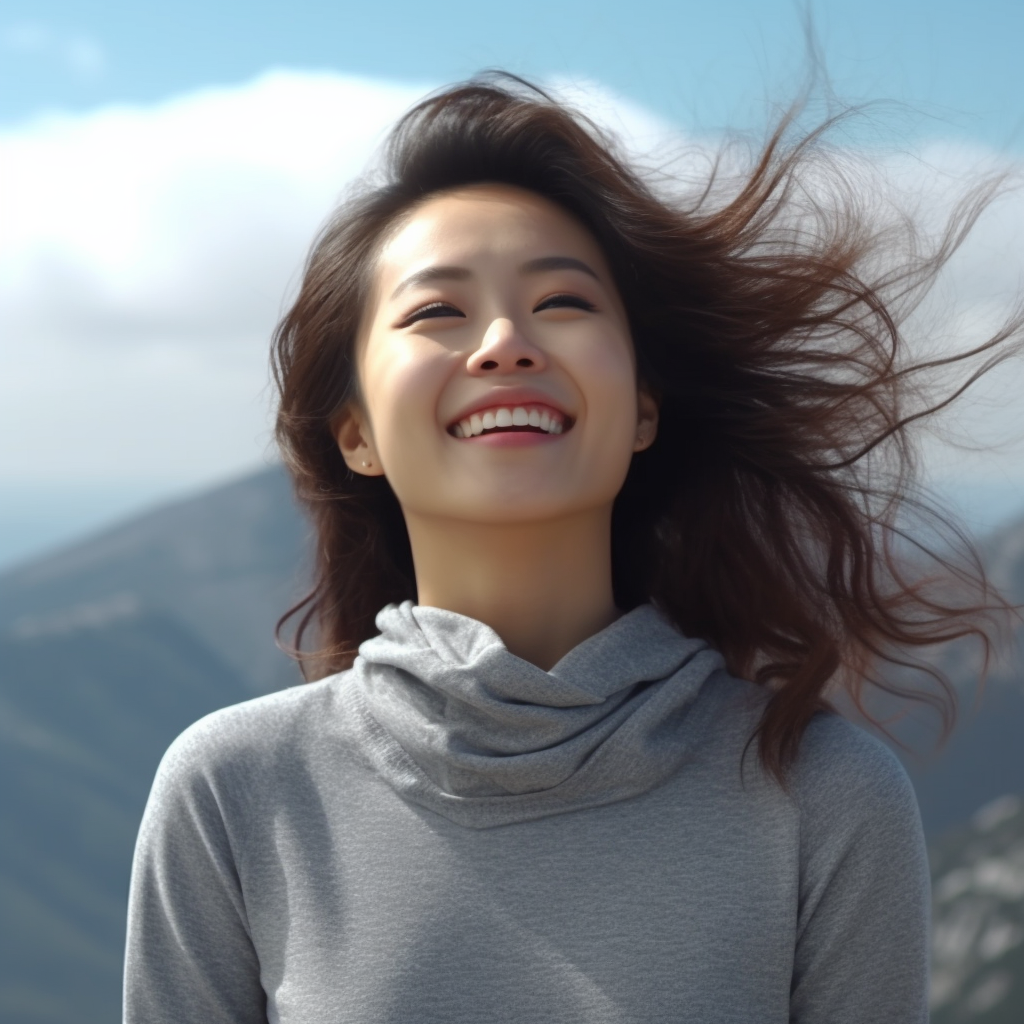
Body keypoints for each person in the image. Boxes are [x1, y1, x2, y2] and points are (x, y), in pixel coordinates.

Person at [123, 74, 1021, 1023]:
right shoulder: (232, 792)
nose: (507, 342)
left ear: (641, 409)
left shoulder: (823, 797)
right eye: (437, 312)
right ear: (357, 435)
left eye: (562, 301)